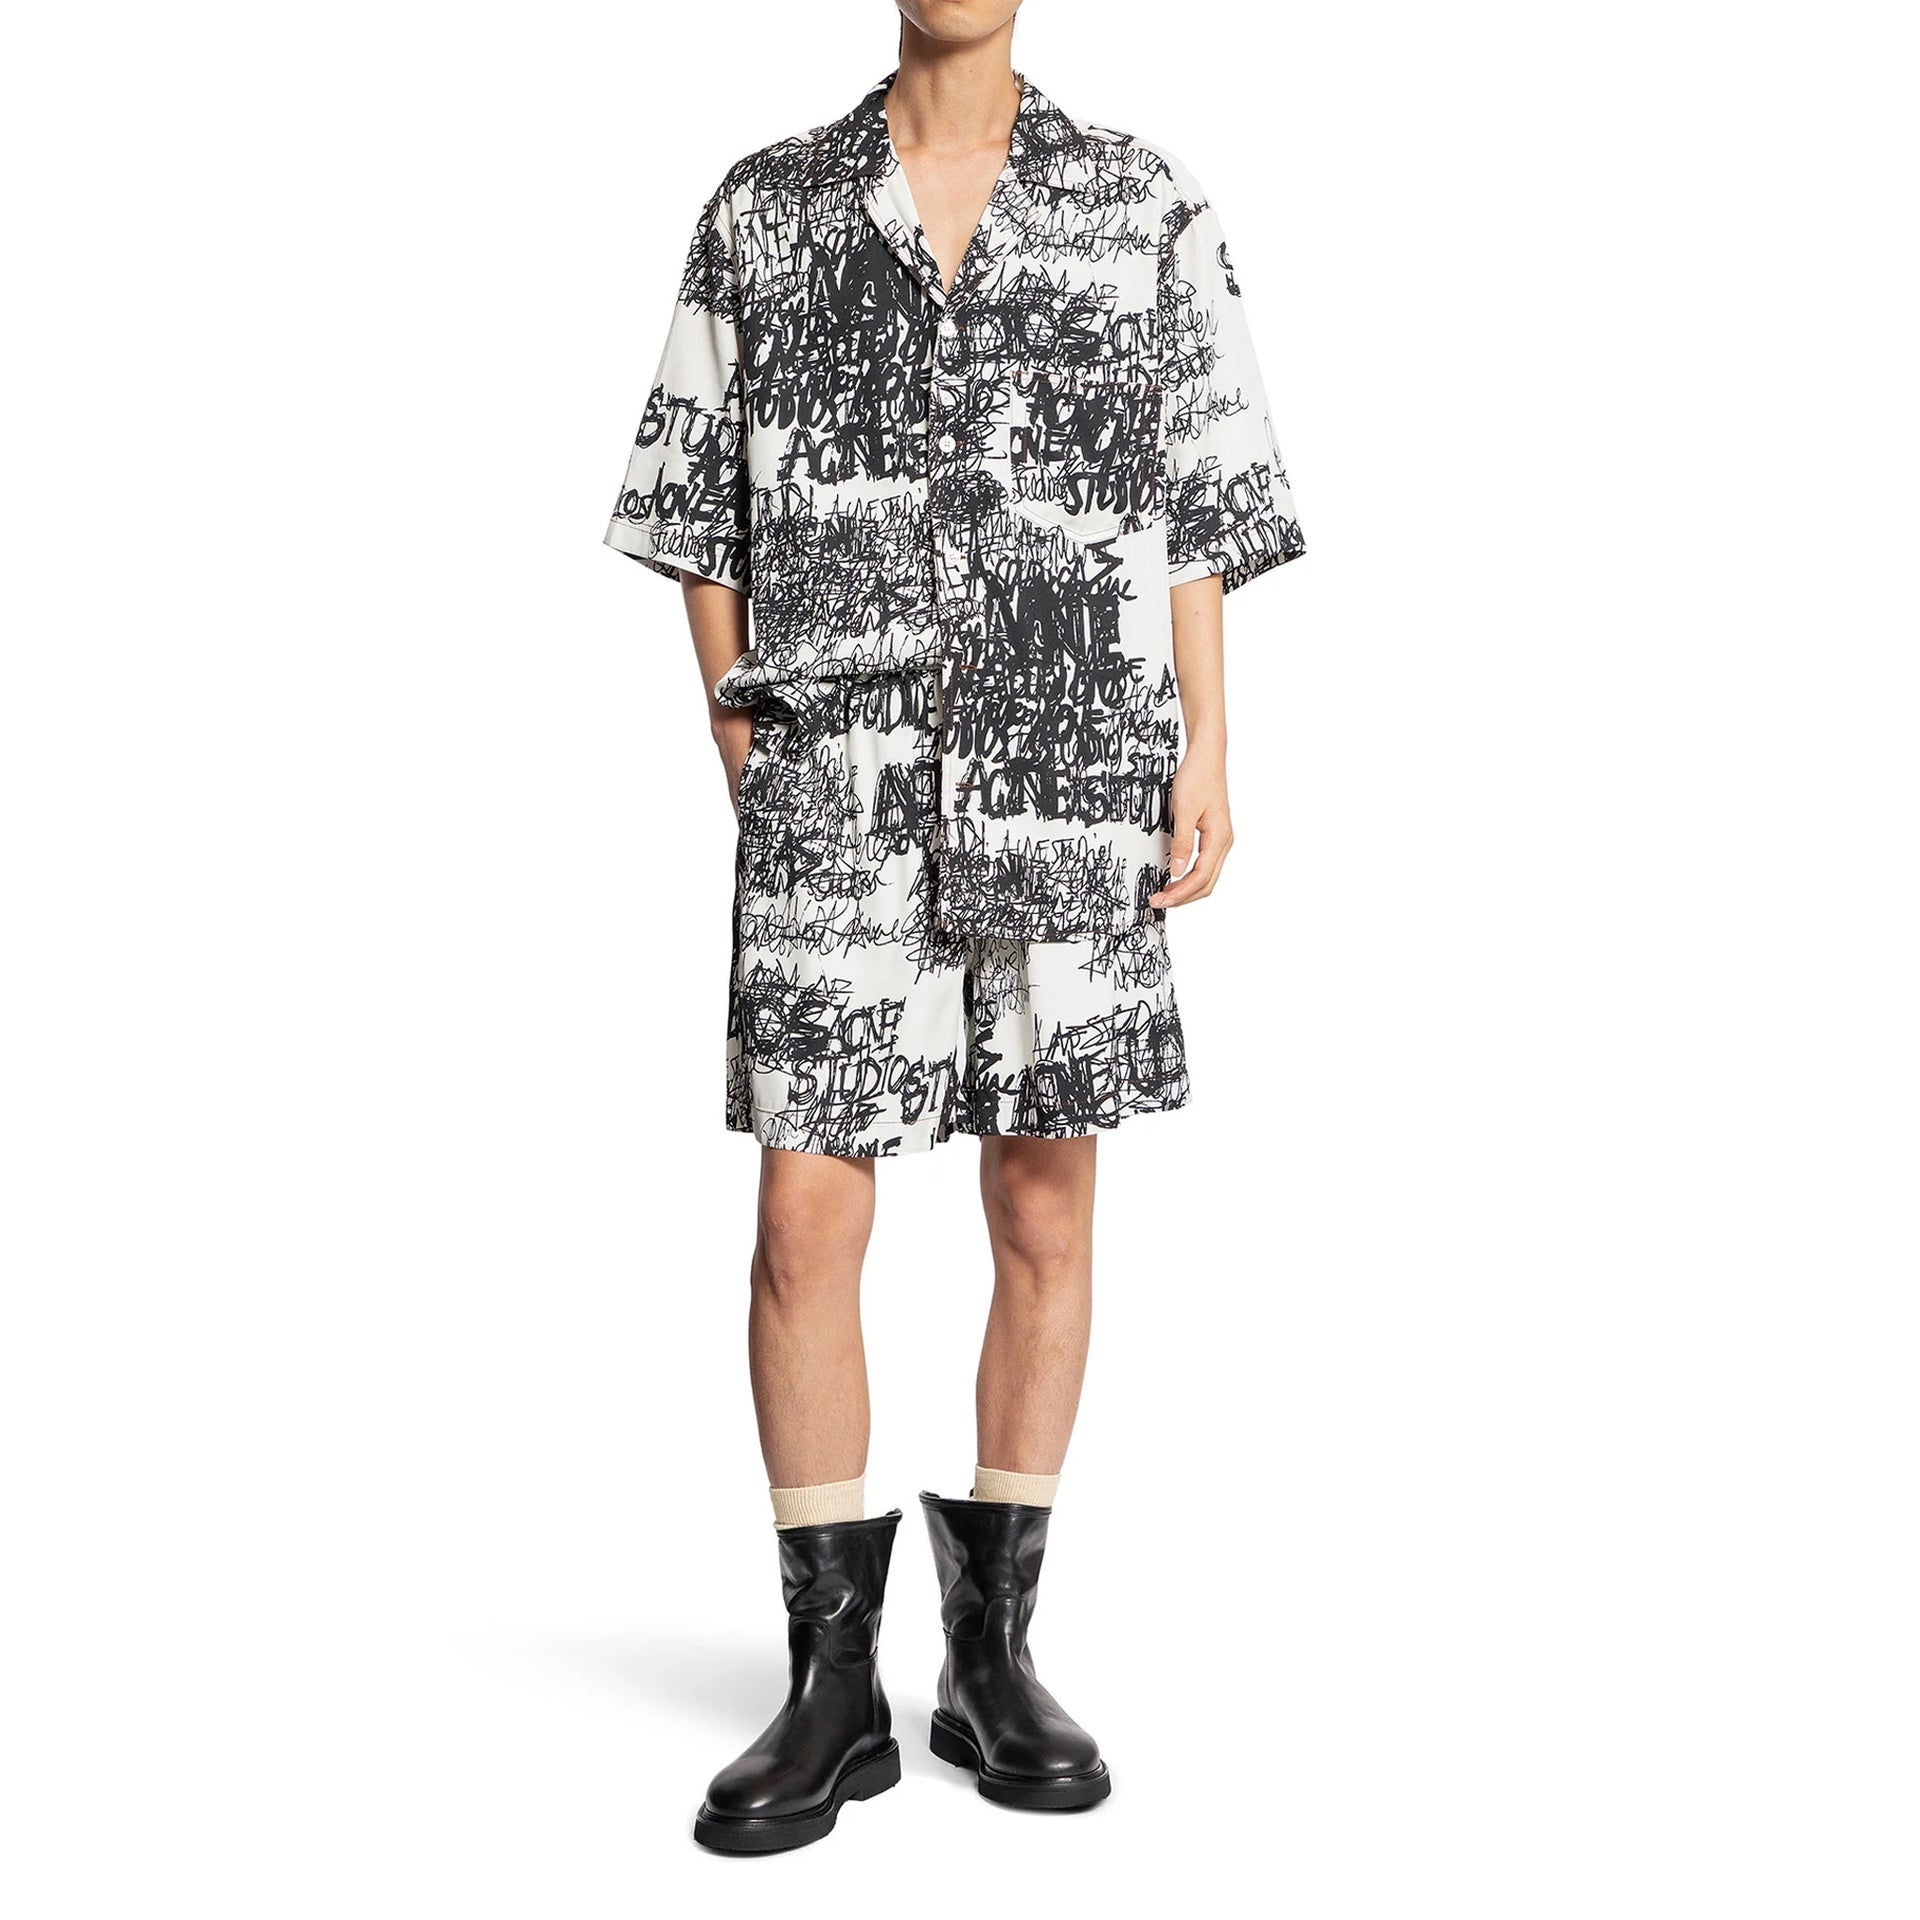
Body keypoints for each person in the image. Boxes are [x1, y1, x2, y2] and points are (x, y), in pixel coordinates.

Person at [604, 1, 1303, 1854]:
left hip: (1072, 775)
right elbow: (690, 504)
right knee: (802, 1221)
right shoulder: (765, 207)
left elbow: (1201, 502)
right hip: (838, 781)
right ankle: (829, 1683)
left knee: (1045, 1206)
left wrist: (1207, 742)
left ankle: (993, 1654)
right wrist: (746, 747)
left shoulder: (1142, 203)